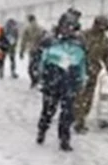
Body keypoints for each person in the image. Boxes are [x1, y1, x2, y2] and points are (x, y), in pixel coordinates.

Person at [37, 14, 88, 152]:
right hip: (52, 81)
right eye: (65, 26)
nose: (68, 30)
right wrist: (42, 78)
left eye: (71, 27)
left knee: (68, 113)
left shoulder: (79, 44)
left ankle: (64, 139)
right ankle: (42, 130)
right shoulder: (50, 41)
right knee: (48, 110)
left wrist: (82, 80)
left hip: (70, 82)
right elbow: (43, 61)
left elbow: (82, 64)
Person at [73, 15, 108, 133]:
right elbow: (74, 51)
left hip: (93, 72)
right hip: (80, 70)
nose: (102, 30)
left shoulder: (104, 40)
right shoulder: (83, 36)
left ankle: (80, 117)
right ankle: (79, 122)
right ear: (95, 25)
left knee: (88, 98)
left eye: (104, 28)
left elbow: (106, 55)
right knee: (79, 97)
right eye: (101, 27)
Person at [20, 14, 48, 89]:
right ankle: (38, 79)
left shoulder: (27, 28)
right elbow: (46, 38)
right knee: (38, 65)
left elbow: (24, 41)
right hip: (40, 49)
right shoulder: (41, 28)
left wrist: (21, 51)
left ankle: (34, 80)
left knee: (31, 67)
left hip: (32, 50)